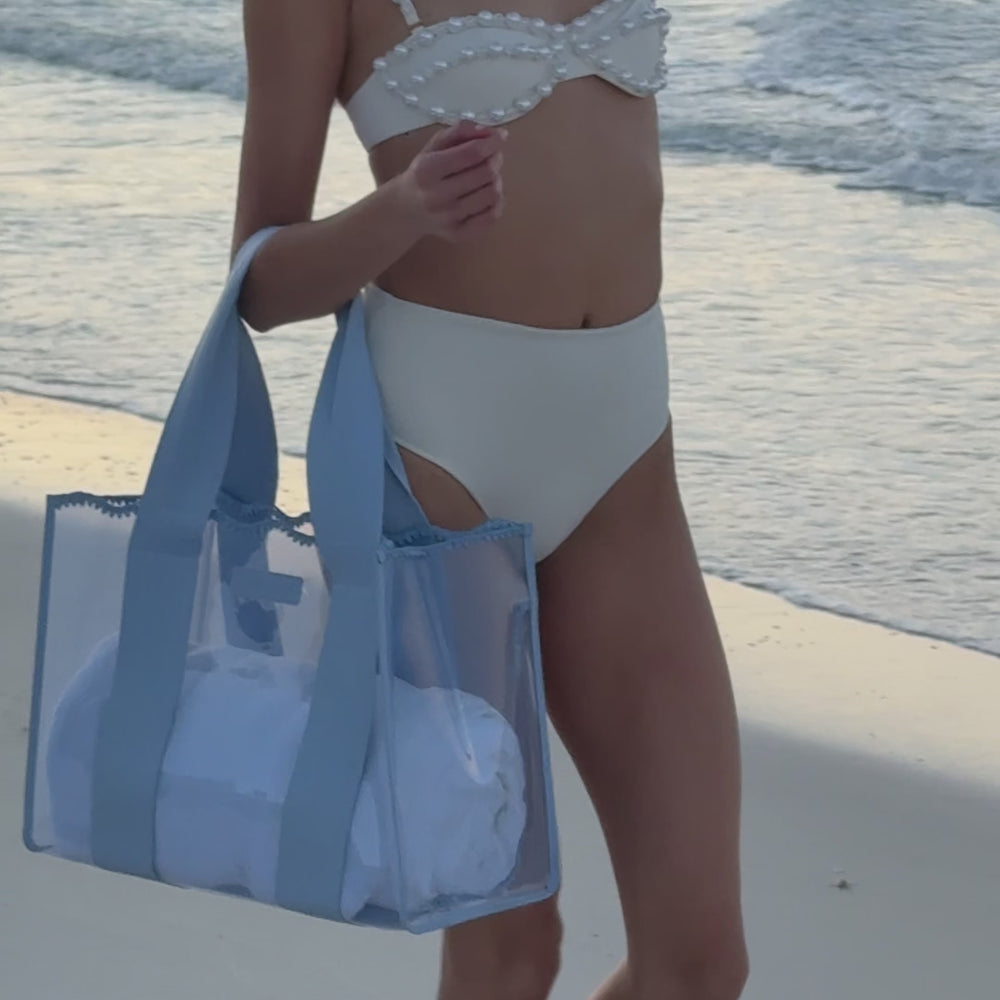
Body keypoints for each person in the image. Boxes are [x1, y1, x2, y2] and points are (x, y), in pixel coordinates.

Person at [231, 0, 748, 997]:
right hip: (434, 467)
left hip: (624, 459)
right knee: (510, 953)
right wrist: (402, 213)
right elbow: (259, 282)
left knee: (700, 963)